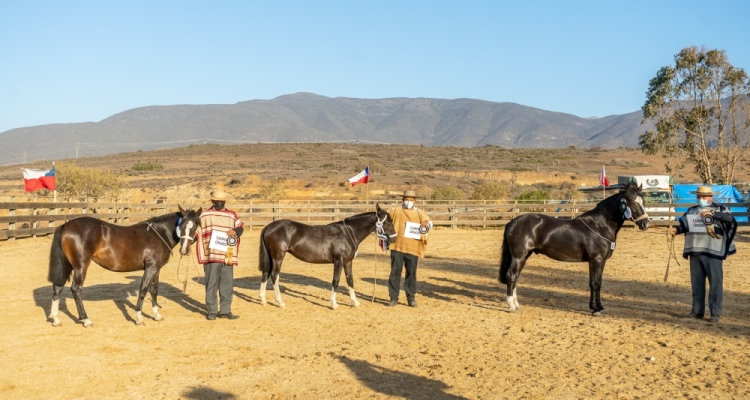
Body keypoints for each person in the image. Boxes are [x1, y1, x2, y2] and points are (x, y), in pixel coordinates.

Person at [668, 186, 737, 323]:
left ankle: (715, 313)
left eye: (704, 197)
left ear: (710, 197)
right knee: (697, 283)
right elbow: (684, 226)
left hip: (713, 251)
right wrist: (675, 229)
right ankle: (697, 310)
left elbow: (730, 219)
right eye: (699, 197)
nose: (701, 199)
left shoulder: (720, 209)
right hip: (695, 250)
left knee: (715, 283)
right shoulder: (691, 211)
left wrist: (714, 215)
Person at [196, 188, 244, 320]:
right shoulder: (204, 215)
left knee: (227, 282)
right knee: (211, 283)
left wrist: (235, 231)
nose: (219, 204)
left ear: (224, 201)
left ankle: (225, 310)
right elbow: (196, 230)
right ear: (212, 201)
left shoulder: (232, 215)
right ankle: (212, 311)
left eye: (221, 201)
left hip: (227, 254)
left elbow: (240, 228)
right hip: (211, 255)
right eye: (216, 201)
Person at [386, 190, 432, 307]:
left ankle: (411, 297)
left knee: (411, 273)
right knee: (395, 272)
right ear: (402, 200)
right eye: (406, 199)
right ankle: (393, 298)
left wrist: (426, 223)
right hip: (397, 246)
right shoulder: (394, 211)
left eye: (411, 200)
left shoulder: (420, 213)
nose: (408, 202)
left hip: (413, 248)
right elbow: (384, 218)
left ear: (415, 201)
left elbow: (429, 223)